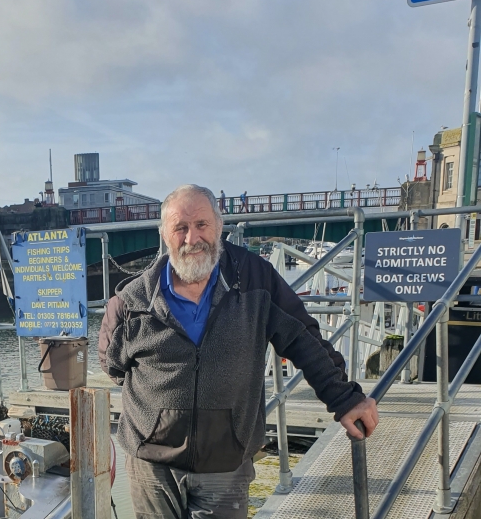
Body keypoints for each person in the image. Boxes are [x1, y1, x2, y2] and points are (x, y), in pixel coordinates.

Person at [98, 184, 378, 519]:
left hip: (226, 460)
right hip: (152, 464)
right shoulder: (132, 300)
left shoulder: (255, 278)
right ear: (164, 234)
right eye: (180, 228)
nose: (192, 238)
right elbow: (112, 365)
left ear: (218, 225)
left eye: (201, 225)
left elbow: (303, 339)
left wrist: (344, 398)